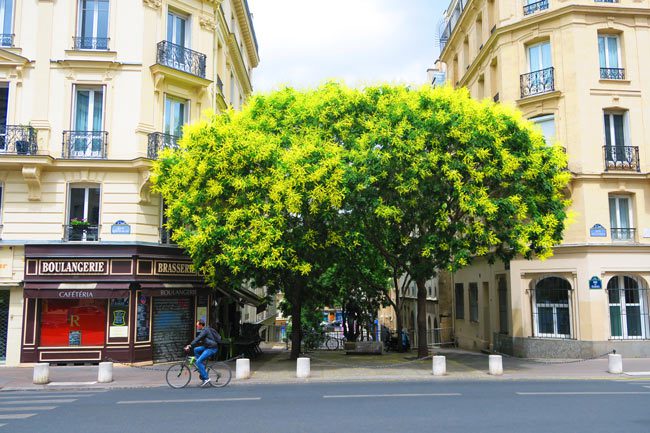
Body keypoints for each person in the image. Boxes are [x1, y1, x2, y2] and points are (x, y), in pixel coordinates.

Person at [184, 320, 221, 387]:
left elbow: (198, 338)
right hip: (207, 346)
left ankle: (206, 379)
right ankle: (201, 366)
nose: (196, 326)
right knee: (196, 349)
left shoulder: (205, 331)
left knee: (198, 361)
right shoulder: (205, 329)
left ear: (201, 325)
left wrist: (190, 345)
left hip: (211, 348)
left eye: (197, 325)